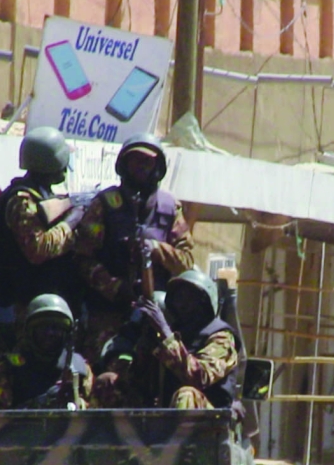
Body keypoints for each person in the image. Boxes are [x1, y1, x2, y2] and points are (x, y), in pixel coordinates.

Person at [74, 133, 194, 359]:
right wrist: (114, 287)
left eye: (147, 161)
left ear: (157, 167)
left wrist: (155, 249)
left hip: (157, 315)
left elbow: (186, 261)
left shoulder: (169, 208)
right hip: (108, 313)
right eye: (135, 160)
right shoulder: (104, 204)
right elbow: (82, 258)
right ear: (124, 165)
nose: (141, 166)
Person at [0, 126, 86, 324]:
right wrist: (72, 221)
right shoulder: (21, 200)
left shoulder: (40, 194)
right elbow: (38, 249)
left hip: (38, 297)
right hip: (22, 305)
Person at [135, 269, 240, 409]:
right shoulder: (173, 333)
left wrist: (165, 333)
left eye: (189, 297)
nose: (182, 303)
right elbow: (140, 382)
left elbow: (199, 377)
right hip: (166, 414)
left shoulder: (221, 337)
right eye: (178, 297)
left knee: (187, 394)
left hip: (210, 417)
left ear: (204, 302)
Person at [0, 294, 92, 410]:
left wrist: (77, 403)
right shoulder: (9, 368)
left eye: (56, 328)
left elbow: (96, 413)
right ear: (30, 332)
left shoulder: (80, 369)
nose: (50, 333)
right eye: (43, 328)